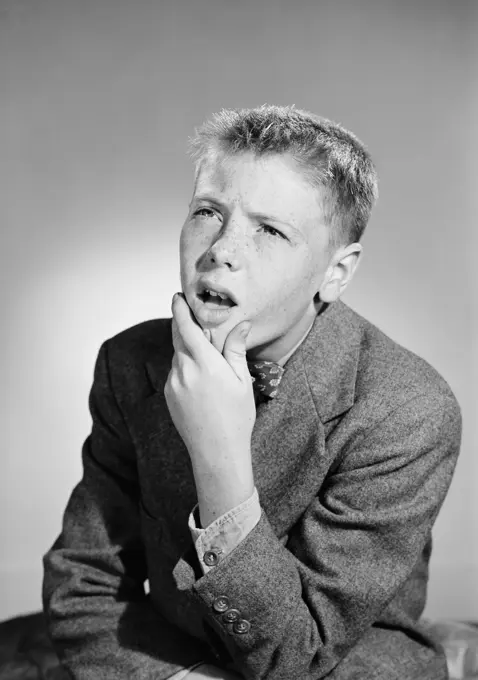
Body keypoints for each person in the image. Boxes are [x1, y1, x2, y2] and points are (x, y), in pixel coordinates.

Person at [42, 105, 461, 680]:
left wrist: (219, 459)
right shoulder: (128, 363)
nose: (221, 250)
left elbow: (300, 654)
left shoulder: (409, 409)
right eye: (208, 212)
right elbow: (82, 587)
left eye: (269, 230)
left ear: (335, 274)